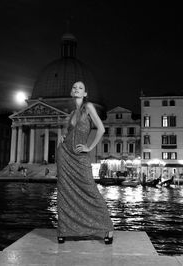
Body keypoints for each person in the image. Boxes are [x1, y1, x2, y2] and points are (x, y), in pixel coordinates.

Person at [56, 81, 114, 245]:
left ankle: (107, 227)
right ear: (71, 92)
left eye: (80, 88)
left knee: (90, 189)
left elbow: (101, 129)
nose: (76, 89)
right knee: (65, 191)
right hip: (65, 155)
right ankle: (65, 229)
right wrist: (62, 136)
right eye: (74, 87)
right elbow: (68, 131)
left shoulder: (88, 107)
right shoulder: (71, 113)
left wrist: (90, 147)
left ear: (85, 93)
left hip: (80, 156)